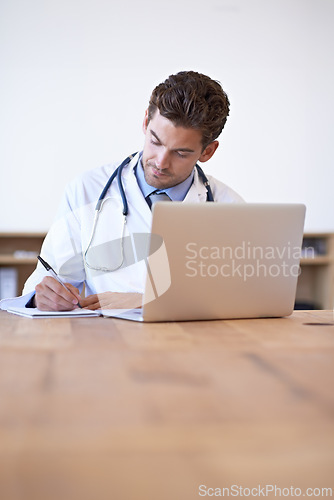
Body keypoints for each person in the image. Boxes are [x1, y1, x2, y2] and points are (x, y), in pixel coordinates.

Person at [2, 70, 244, 312]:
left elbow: (248, 298)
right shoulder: (87, 191)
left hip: (195, 345)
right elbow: (44, 286)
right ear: (146, 122)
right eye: (155, 141)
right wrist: (41, 298)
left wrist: (149, 301)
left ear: (207, 152)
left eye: (180, 153)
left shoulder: (230, 209)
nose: (160, 162)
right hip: (109, 343)